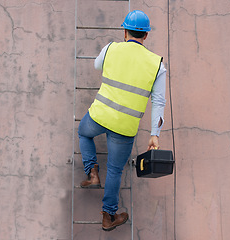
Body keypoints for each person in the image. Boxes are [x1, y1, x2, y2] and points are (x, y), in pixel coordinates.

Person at [78, 10, 166, 231]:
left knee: (83, 132)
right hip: (124, 127)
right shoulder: (157, 65)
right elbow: (159, 102)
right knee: (116, 170)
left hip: (100, 115)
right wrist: (154, 134)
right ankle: (108, 217)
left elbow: (97, 66)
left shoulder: (111, 48)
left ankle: (92, 172)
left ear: (125, 32)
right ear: (146, 35)